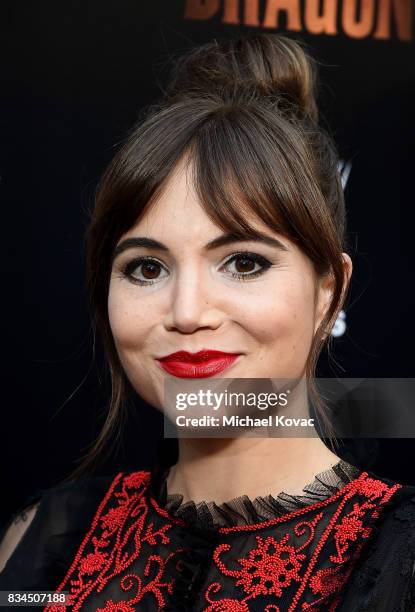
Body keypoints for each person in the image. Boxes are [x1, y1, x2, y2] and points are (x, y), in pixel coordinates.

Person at [0, 33, 414, 611]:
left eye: (244, 263)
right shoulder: (42, 540)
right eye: (146, 268)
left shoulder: (403, 555)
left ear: (329, 291)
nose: (188, 313)